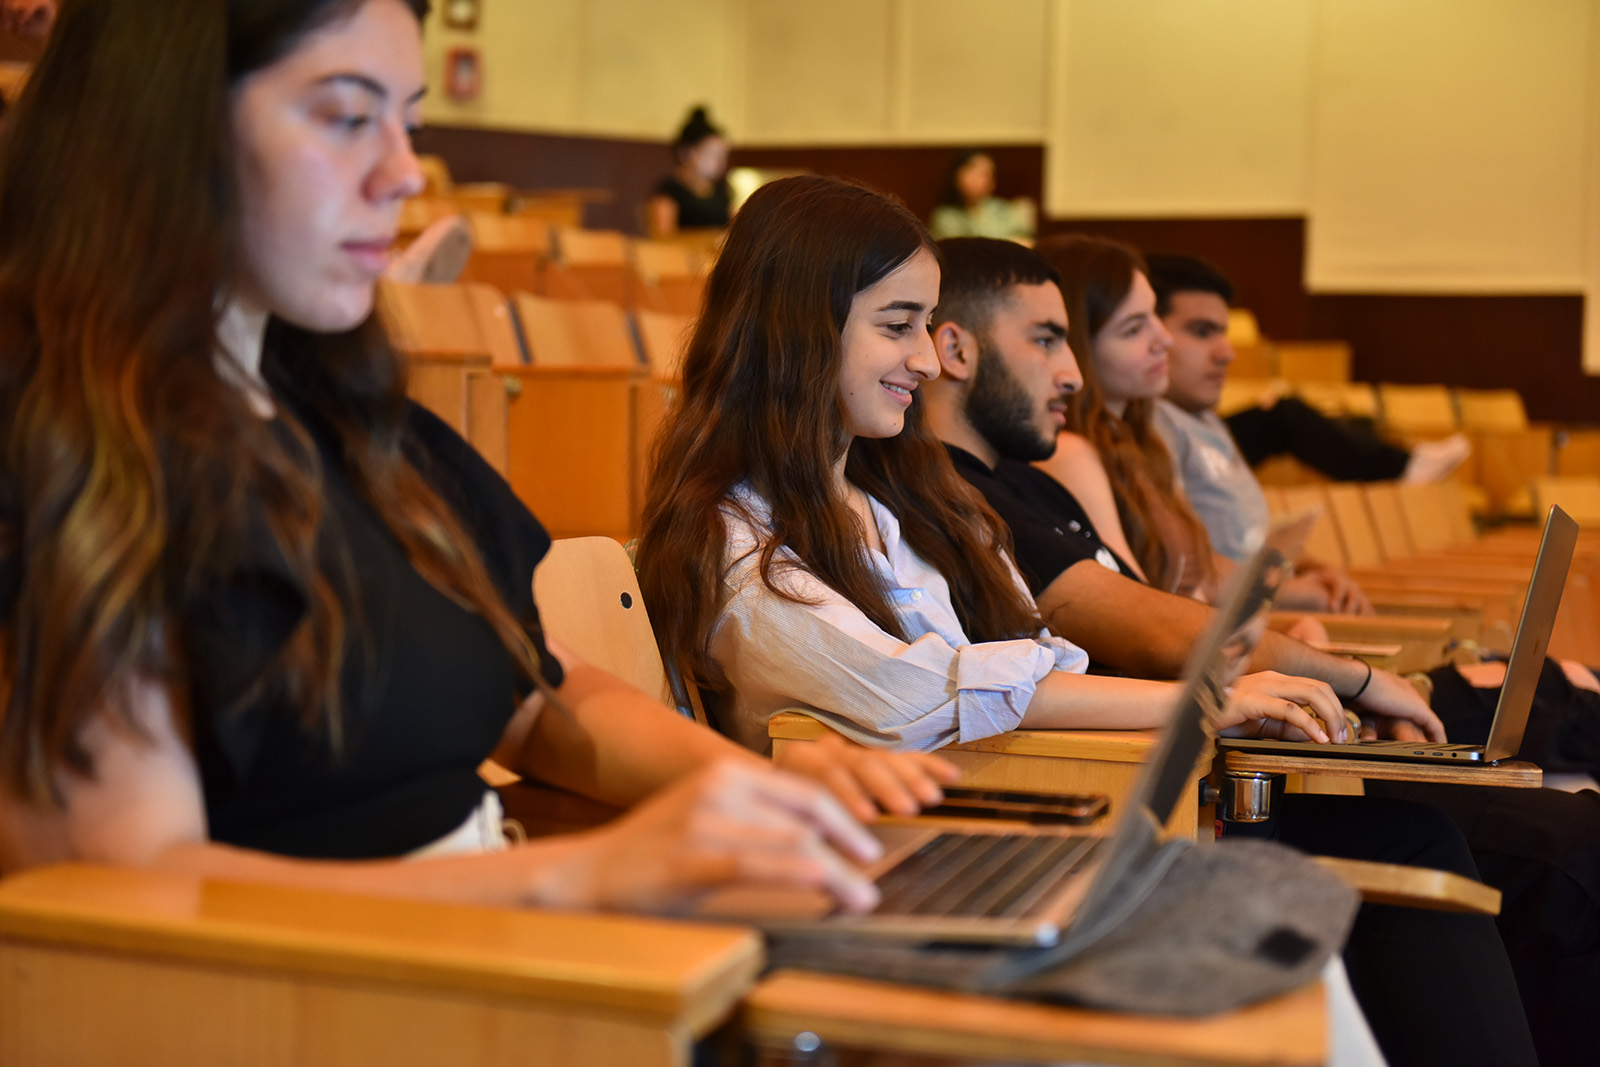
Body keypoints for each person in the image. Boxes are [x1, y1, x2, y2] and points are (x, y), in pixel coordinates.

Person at [0, 0, 968, 916]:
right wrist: (578, 877)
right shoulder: (70, 443)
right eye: (346, 118)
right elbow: (127, 885)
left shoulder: (358, 425)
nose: (405, 172)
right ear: (168, 131)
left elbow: (533, 693)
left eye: (407, 123)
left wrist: (753, 792)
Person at [919, 236, 1558, 1067]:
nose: (1070, 372)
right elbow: (1154, 628)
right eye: (1047, 340)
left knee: (1487, 826)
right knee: (1461, 843)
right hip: (1146, 802)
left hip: (1191, 761)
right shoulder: (965, 492)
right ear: (957, 349)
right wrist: (1354, 679)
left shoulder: (1026, 477)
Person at [1147, 253, 1468, 561]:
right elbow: (1192, 575)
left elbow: (1246, 538)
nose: (1228, 353)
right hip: (1223, 610)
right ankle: (1401, 465)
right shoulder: (1152, 431)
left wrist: (1303, 567)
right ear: (1151, 334)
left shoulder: (1205, 421)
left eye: (1224, 334)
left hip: (1255, 602)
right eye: (1201, 332)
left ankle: (1401, 463)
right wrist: (1292, 589)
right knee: (1285, 415)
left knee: (1318, 416)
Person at [646, 105, 731, 238]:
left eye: (723, 155)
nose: (719, 161)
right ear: (687, 153)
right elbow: (662, 238)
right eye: (711, 154)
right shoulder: (669, 191)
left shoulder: (722, 191)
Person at [927, 149, 1034, 242]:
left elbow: (1023, 241)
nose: (975, 179)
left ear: (992, 183)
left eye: (984, 174)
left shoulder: (1003, 210)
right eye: (970, 170)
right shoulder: (944, 217)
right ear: (956, 176)